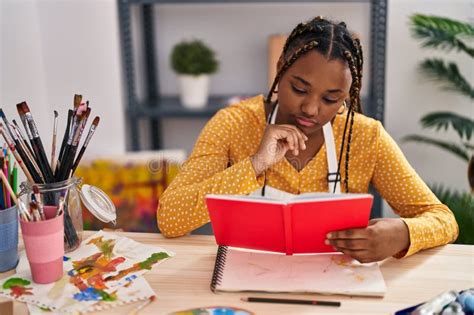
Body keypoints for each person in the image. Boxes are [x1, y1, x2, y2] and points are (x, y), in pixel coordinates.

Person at [157, 16, 458, 263]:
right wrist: (254, 165)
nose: (311, 109)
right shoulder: (233, 125)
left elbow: (443, 220)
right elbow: (170, 218)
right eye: (299, 89)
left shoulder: (365, 137)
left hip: (339, 284)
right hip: (246, 280)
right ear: (280, 70)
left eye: (331, 98)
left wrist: (402, 233)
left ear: (348, 95)